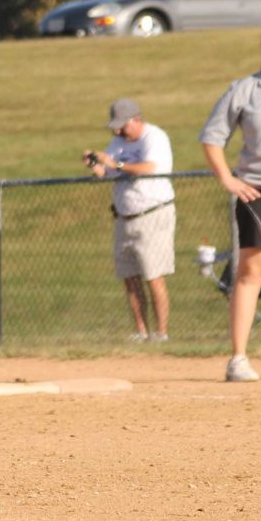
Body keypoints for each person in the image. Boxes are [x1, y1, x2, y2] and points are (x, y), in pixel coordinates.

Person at [199, 15, 261, 383]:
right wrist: (228, 178)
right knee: (250, 274)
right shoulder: (245, 89)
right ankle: (238, 358)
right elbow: (212, 137)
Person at [83, 98, 175, 343]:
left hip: (152, 214)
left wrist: (116, 163)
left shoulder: (154, 137)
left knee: (153, 274)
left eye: (122, 126)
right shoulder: (118, 142)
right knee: (129, 276)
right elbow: (107, 170)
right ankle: (141, 332)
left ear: (136, 119)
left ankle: (161, 333)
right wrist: (96, 164)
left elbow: (150, 167)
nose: (117, 131)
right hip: (124, 216)